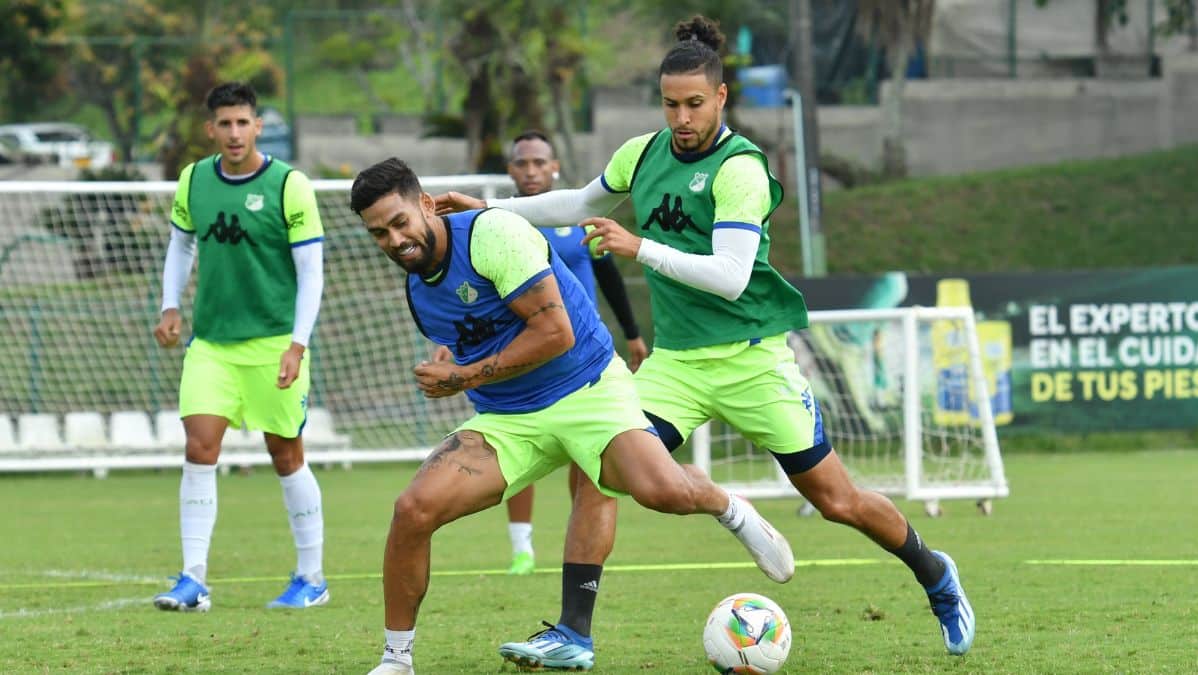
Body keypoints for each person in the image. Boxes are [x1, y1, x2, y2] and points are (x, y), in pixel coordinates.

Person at [435, 15, 975, 659]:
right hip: (677, 367)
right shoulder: (642, 153)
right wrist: (490, 209)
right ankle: (574, 635)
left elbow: (729, 275)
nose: (682, 117)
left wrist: (640, 246)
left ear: (721, 98)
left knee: (838, 500)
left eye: (695, 104)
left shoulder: (740, 168)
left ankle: (935, 573)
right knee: (600, 469)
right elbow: (579, 204)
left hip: (753, 362)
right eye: (671, 104)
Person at [349, 157, 794, 675]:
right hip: (508, 416)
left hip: (587, 386)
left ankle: (727, 505)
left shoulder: (493, 235)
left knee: (662, 492)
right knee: (412, 512)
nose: (393, 240)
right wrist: (450, 364)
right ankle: (396, 661)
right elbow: (465, 341)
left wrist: (463, 378)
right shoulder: (419, 290)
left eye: (399, 222)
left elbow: (555, 332)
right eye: (379, 233)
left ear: (425, 204)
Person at [152, 81, 329, 612]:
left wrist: (297, 344)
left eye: (242, 122)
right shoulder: (194, 180)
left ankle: (311, 577)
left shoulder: (288, 185)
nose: (234, 133)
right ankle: (193, 579)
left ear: (258, 126)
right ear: (211, 130)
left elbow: (312, 271)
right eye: (224, 124)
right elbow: (181, 244)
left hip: (275, 342)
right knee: (199, 448)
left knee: (286, 455)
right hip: (212, 345)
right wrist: (169, 305)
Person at [498, 130, 648, 576]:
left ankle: (578, 538)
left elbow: (608, 276)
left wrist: (634, 334)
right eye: (522, 163)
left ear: (554, 167)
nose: (530, 171)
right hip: (525, 349)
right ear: (511, 170)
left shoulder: (580, 214)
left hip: (582, 352)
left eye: (538, 163)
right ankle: (521, 549)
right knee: (517, 451)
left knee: (587, 450)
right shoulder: (500, 221)